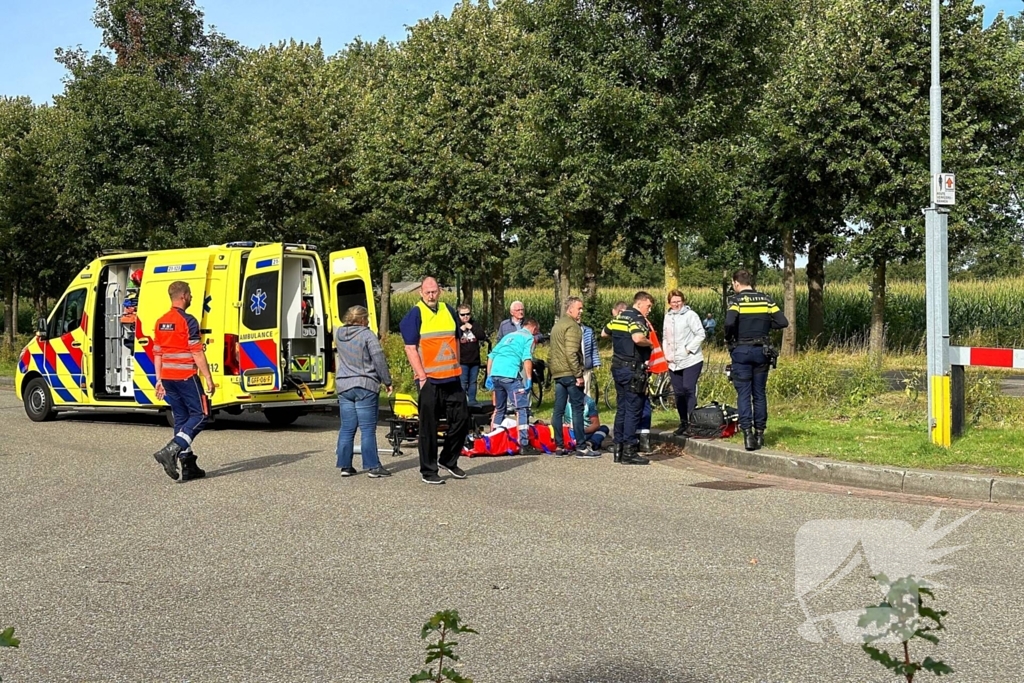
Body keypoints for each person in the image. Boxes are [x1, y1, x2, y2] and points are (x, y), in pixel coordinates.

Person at [400, 277, 470, 484]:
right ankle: (428, 471)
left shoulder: (448, 310)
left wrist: (457, 366)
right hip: (429, 379)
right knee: (428, 428)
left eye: (434, 291)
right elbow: (410, 348)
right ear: (421, 293)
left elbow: (456, 340)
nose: (431, 295)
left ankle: (448, 460)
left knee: (462, 420)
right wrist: (421, 376)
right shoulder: (415, 314)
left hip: (451, 377)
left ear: (439, 291)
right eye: (427, 292)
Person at [151, 281, 215, 483]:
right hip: (186, 376)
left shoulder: (160, 322)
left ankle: (188, 465)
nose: (192, 298)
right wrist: (208, 378)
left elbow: (158, 354)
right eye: (190, 295)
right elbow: (197, 353)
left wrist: (159, 380)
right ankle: (172, 449)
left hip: (169, 379)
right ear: (184, 296)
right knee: (201, 415)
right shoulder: (188, 321)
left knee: (181, 418)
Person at [725, 269, 789, 451]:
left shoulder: (736, 300)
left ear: (736, 283)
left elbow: (729, 323)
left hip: (742, 351)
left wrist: (729, 337)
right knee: (759, 393)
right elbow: (783, 322)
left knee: (744, 394)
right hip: (762, 351)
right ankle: (760, 434)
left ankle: (748, 436)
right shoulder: (766, 299)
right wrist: (765, 324)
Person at [335, 305, 394, 478]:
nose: (368, 321)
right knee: (367, 429)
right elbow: (378, 359)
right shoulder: (367, 335)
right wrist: (387, 381)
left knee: (347, 428)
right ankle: (373, 466)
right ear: (361, 320)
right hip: (365, 385)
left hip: (344, 386)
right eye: (366, 318)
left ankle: (345, 466)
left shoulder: (339, 334)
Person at [603, 292, 655, 465]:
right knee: (633, 410)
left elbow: (604, 332)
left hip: (617, 366)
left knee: (622, 408)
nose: (649, 310)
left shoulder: (620, 317)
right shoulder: (636, 319)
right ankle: (629, 451)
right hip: (632, 369)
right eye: (648, 306)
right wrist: (651, 343)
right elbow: (638, 338)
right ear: (640, 304)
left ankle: (618, 449)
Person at [550, 297, 598, 458]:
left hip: (557, 372)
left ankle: (558, 446)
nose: (581, 311)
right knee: (577, 409)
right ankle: (582, 447)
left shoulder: (557, 326)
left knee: (558, 410)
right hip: (570, 372)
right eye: (579, 308)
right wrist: (578, 374)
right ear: (570, 309)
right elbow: (571, 352)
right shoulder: (573, 327)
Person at [484, 318, 540, 453]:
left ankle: (493, 441)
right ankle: (524, 444)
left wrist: (489, 375)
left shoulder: (509, 336)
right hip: (510, 374)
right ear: (534, 329)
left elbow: (492, 355)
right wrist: (529, 378)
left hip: (496, 373)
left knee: (499, 408)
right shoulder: (528, 338)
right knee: (522, 408)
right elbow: (527, 358)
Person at [663, 289, 706, 436]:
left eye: (678, 301)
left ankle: (693, 423)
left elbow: (700, 334)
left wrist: (688, 349)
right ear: (669, 303)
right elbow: (665, 337)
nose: (676, 304)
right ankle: (683, 422)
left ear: (683, 301)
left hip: (691, 360)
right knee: (679, 393)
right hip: (673, 362)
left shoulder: (690, 315)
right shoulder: (667, 317)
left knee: (688, 388)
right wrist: (666, 353)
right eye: (673, 302)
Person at [457, 305, 485, 404]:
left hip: (474, 360)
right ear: (459, 315)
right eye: (463, 314)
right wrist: (461, 330)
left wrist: (471, 328)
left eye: (468, 314)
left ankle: (472, 401)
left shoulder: (474, 324)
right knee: (463, 383)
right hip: (462, 361)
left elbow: (482, 336)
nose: (465, 316)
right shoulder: (456, 325)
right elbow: (452, 337)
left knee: (473, 382)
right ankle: (462, 402)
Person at [581, 322, 601, 399]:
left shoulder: (588, 331)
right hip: (573, 366)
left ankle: (586, 408)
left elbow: (594, 347)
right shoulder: (569, 330)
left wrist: (596, 362)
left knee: (586, 388)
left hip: (586, 365)